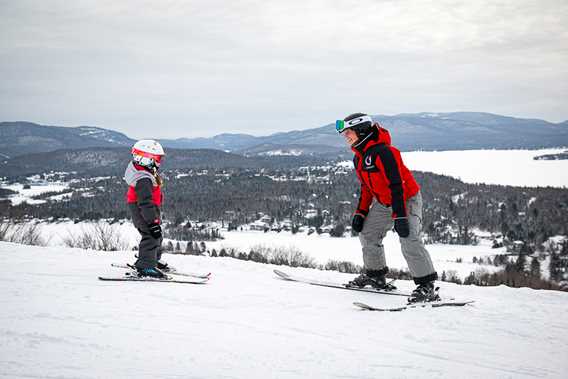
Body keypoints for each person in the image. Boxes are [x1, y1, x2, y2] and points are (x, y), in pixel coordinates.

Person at [336, 113, 439, 303]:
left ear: (361, 130)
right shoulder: (359, 158)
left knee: (409, 238)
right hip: (384, 201)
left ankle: (427, 286)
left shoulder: (385, 152)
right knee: (367, 233)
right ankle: (375, 276)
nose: (346, 136)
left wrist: (400, 216)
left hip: (406, 199)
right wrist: (361, 212)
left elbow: (397, 185)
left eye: (348, 132)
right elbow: (366, 187)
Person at [124, 139, 168, 278]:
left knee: (157, 236)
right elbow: (144, 202)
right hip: (144, 211)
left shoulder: (143, 172)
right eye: (156, 158)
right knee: (151, 236)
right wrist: (152, 222)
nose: (158, 162)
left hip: (147, 210)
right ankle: (145, 267)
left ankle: (152, 260)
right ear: (145, 158)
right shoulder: (143, 178)